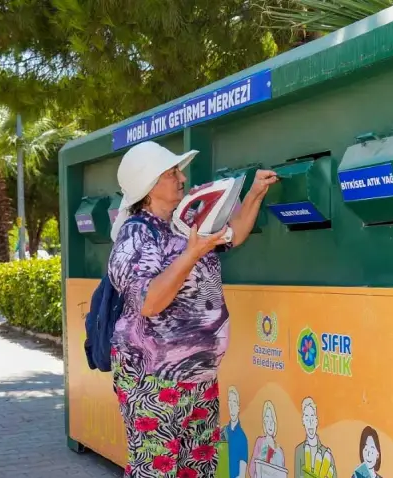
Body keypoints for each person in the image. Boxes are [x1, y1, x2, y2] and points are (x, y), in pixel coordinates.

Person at [107, 141, 278, 478]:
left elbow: (234, 234)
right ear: (149, 185)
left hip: (200, 377)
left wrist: (255, 193)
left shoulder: (183, 223)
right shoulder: (136, 236)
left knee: (197, 470)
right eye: (172, 173)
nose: (182, 178)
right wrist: (191, 254)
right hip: (154, 379)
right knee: (155, 471)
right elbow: (149, 302)